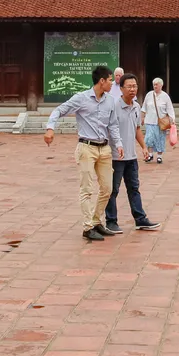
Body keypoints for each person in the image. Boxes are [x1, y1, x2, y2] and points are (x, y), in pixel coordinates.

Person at [45, 65, 124, 242]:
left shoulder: (110, 100)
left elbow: (113, 125)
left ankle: (96, 221)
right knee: (87, 189)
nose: (112, 83)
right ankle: (88, 227)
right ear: (101, 81)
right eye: (110, 79)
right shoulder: (81, 98)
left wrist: (118, 143)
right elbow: (59, 110)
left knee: (107, 188)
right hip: (86, 148)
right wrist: (50, 128)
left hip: (104, 149)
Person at [104, 73, 161, 234]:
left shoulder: (136, 106)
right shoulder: (114, 106)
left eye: (135, 86)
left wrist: (143, 147)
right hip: (116, 156)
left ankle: (140, 219)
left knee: (134, 188)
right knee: (112, 190)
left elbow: (137, 129)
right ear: (121, 88)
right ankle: (111, 221)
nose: (132, 89)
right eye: (129, 86)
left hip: (131, 156)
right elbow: (110, 129)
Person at [141, 77, 175, 163]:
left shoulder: (165, 96)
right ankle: (150, 154)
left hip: (160, 122)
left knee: (160, 139)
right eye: (154, 85)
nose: (155, 86)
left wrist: (172, 119)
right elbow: (144, 107)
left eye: (157, 84)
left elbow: (170, 108)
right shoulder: (149, 95)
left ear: (161, 85)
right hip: (149, 121)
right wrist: (142, 117)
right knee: (149, 138)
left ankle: (159, 156)